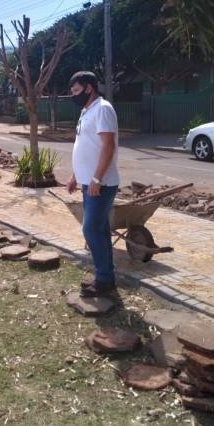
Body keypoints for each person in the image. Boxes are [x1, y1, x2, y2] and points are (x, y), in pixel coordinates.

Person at [66, 71, 120, 297]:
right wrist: (75, 175)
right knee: (101, 230)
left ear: (89, 88)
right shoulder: (86, 111)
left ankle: (103, 279)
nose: (73, 95)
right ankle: (105, 277)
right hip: (89, 182)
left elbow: (108, 147)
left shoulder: (103, 108)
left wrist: (97, 178)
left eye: (77, 91)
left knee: (90, 229)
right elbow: (87, 145)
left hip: (101, 183)